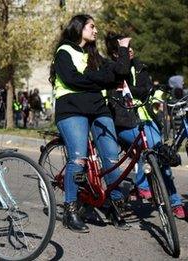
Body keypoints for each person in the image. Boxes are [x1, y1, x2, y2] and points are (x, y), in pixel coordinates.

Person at [49, 14, 130, 232]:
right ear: (79, 28)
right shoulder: (64, 51)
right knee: (79, 158)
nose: (95, 31)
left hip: (98, 107)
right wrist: (102, 78)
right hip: (71, 107)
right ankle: (71, 209)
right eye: (91, 27)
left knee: (112, 158)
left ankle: (114, 205)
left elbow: (120, 73)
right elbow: (72, 79)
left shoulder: (96, 56)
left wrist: (123, 49)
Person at [105, 33, 187, 219]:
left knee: (161, 154)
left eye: (131, 46)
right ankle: (147, 188)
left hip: (147, 120)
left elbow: (146, 90)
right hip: (124, 123)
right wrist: (138, 91)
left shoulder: (140, 67)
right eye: (126, 48)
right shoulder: (111, 68)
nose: (131, 50)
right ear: (116, 53)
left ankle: (172, 201)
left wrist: (132, 90)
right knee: (155, 148)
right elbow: (120, 90)